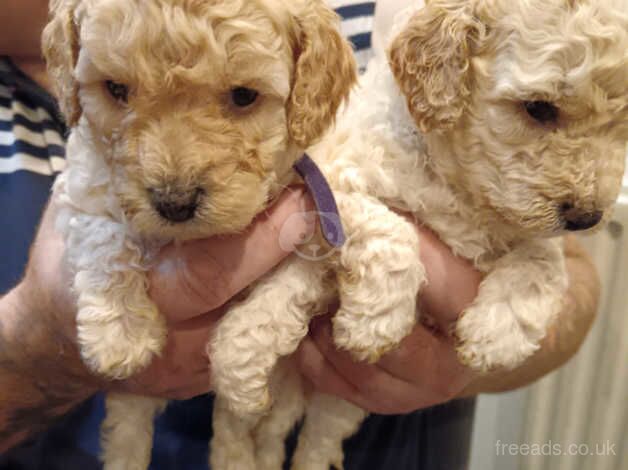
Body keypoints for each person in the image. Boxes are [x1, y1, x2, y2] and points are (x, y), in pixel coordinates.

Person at [0, 1, 601, 469]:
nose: (174, 179)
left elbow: (566, 264)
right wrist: (33, 346)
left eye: (240, 97)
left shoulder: (384, 25)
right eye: (118, 91)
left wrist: (483, 346)